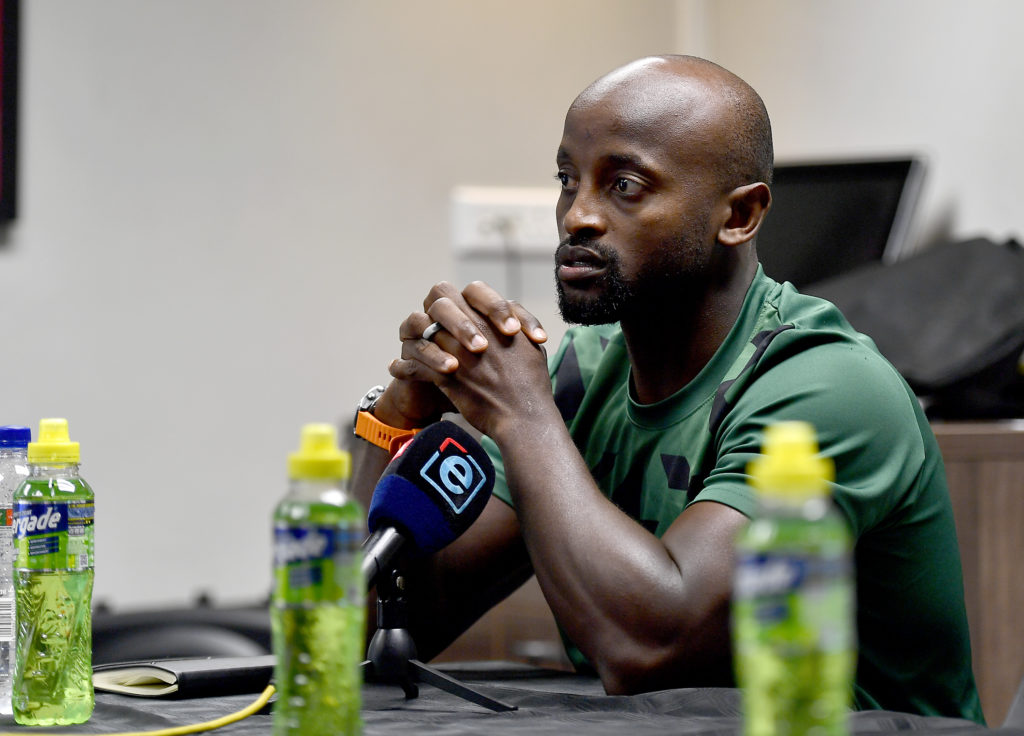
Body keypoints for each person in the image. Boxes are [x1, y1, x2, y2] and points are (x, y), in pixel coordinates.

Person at [349, 55, 984, 723]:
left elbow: (650, 647)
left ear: (738, 215)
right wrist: (393, 419)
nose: (576, 217)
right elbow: (368, 629)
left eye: (624, 185)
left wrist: (523, 414)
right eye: (569, 179)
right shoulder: (582, 375)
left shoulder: (825, 385)